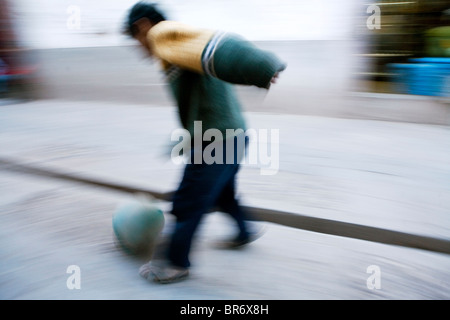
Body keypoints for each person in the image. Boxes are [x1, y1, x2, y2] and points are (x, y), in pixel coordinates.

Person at [123, 2, 286, 284]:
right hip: (232, 134)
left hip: (217, 139)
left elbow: (218, 45)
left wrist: (258, 65)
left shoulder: (163, 35)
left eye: (135, 40)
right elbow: (199, 94)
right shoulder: (175, 50)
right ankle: (244, 231)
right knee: (222, 193)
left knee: (188, 201)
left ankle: (175, 263)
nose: (139, 49)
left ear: (142, 27)